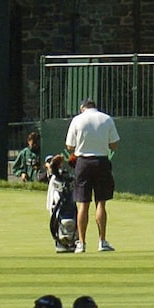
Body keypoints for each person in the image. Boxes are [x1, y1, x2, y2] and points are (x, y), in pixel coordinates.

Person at [63, 98, 119, 253]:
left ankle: (81, 243)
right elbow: (114, 144)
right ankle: (102, 241)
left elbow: (69, 146)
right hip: (101, 161)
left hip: (83, 163)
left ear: (82, 108)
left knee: (83, 204)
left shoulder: (77, 120)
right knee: (100, 203)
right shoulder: (106, 118)